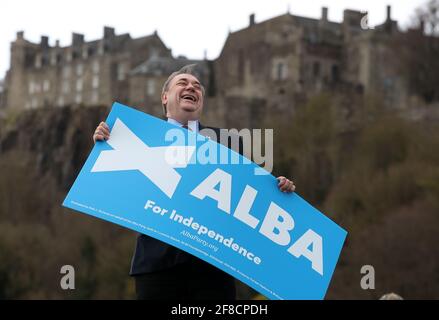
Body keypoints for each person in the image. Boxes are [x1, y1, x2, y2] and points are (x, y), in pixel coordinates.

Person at [92, 64, 296, 300]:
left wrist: (279, 187)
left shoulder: (228, 143)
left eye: (197, 86)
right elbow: (117, 190)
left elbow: (252, 193)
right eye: (183, 83)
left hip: (213, 268)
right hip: (157, 267)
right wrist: (103, 144)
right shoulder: (137, 138)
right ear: (165, 97)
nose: (191, 87)